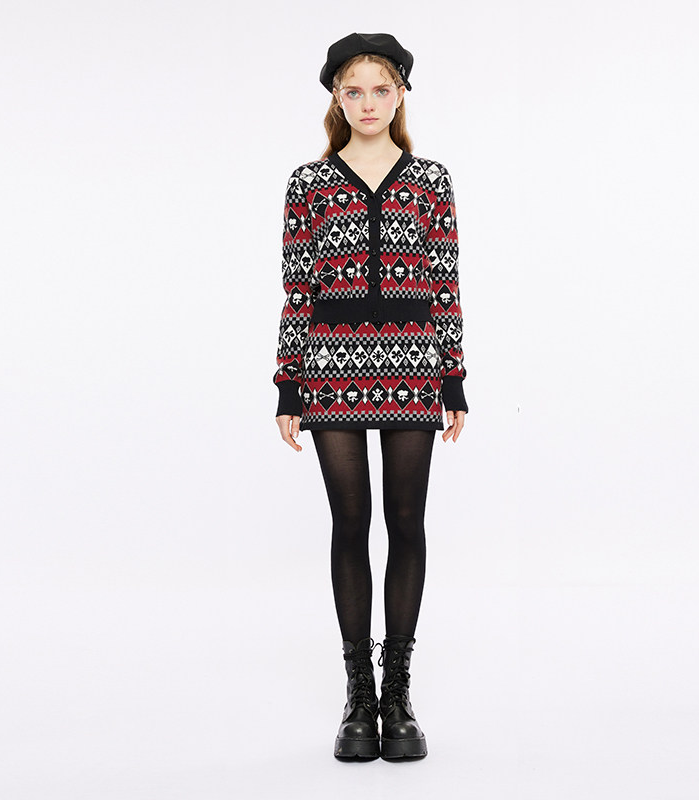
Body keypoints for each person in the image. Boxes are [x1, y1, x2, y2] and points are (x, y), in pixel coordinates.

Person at [272, 32, 469, 761]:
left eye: (380, 90)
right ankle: (358, 695)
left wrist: (453, 376)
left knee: (407, 520)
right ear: (336, 97)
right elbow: (297, 288)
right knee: (350, 522)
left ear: (401, 94)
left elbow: (445, 282)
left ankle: (397, 693)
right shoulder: (309, 184)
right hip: (331, 365)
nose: (367, 104)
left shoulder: (432, 181)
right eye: (352, 91)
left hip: (414, 364)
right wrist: (288, 383)